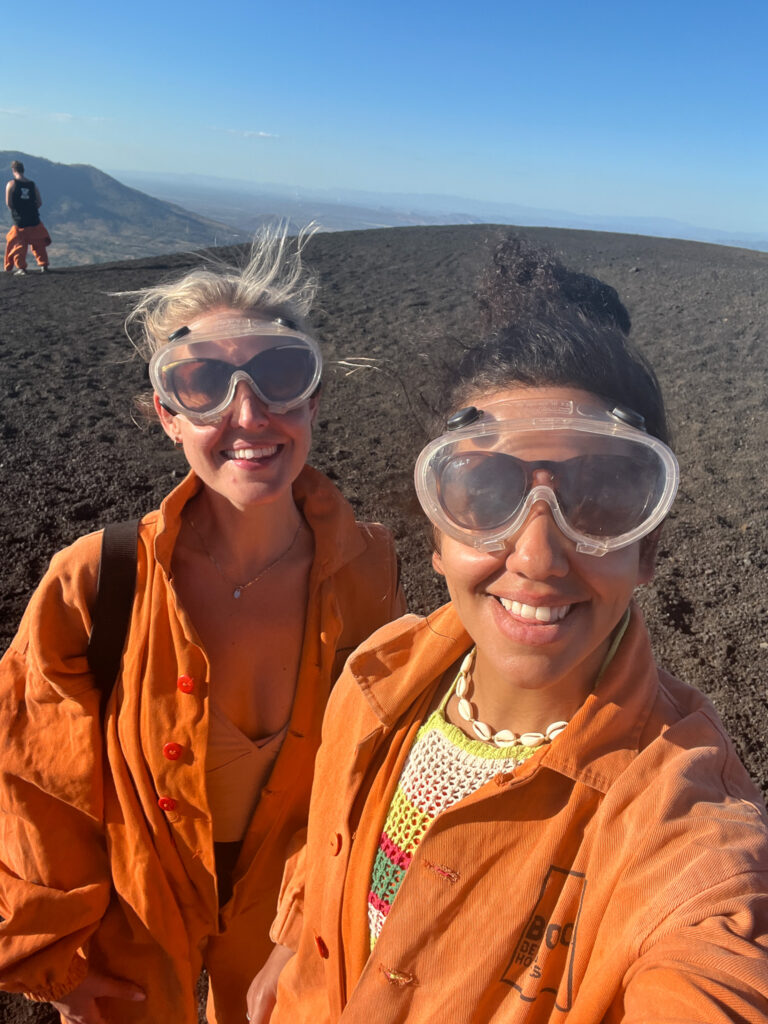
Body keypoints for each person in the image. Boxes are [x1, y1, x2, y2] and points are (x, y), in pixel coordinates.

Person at [255, 239, 768, 1023]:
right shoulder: (375, 677)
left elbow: (713, 950)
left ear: (647, 550)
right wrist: (295, 943)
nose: (535, 555)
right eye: (488, 491)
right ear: (436, 529)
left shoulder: (682, 825)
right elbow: (327, 837)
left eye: (597, 498)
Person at [0, 228, 405, 1024]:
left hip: (296, 924)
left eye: (281, 377)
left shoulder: (368, 572)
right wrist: (56, 964)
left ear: (314, 400)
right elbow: (33, 782)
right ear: (166, 415)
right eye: (203, 385)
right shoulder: (97, 581)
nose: (248, 415)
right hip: (130, 923)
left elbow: (373, 770)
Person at [4, 160, 51, 274]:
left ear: (13, 170)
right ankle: (43, 265)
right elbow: (39, 202)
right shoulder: (32, 185)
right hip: (34, 219)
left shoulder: (11, 184)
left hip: (20, 220)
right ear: (23, 170)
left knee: (19, 244)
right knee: (38, 243)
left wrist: (17, 212)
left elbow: (9, 203)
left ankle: (22, 268)